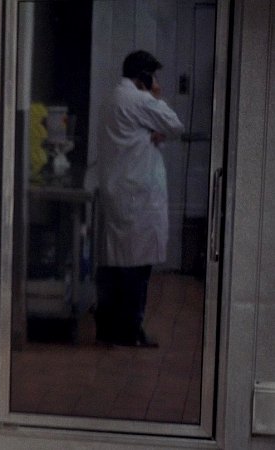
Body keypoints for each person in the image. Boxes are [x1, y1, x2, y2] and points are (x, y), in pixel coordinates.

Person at [95, 50, 184, 347]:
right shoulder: (140, 100)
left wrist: (153, 132)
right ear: (144, 76)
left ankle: (108, 329)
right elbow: (174, 123)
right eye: (153, 77)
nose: (157, 82)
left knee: (115, 265)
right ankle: (129, 332)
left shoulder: (111, 98)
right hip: (137, 195)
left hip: (117, 190)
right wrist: (155, 96)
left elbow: (142, 132)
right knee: (137, 267)